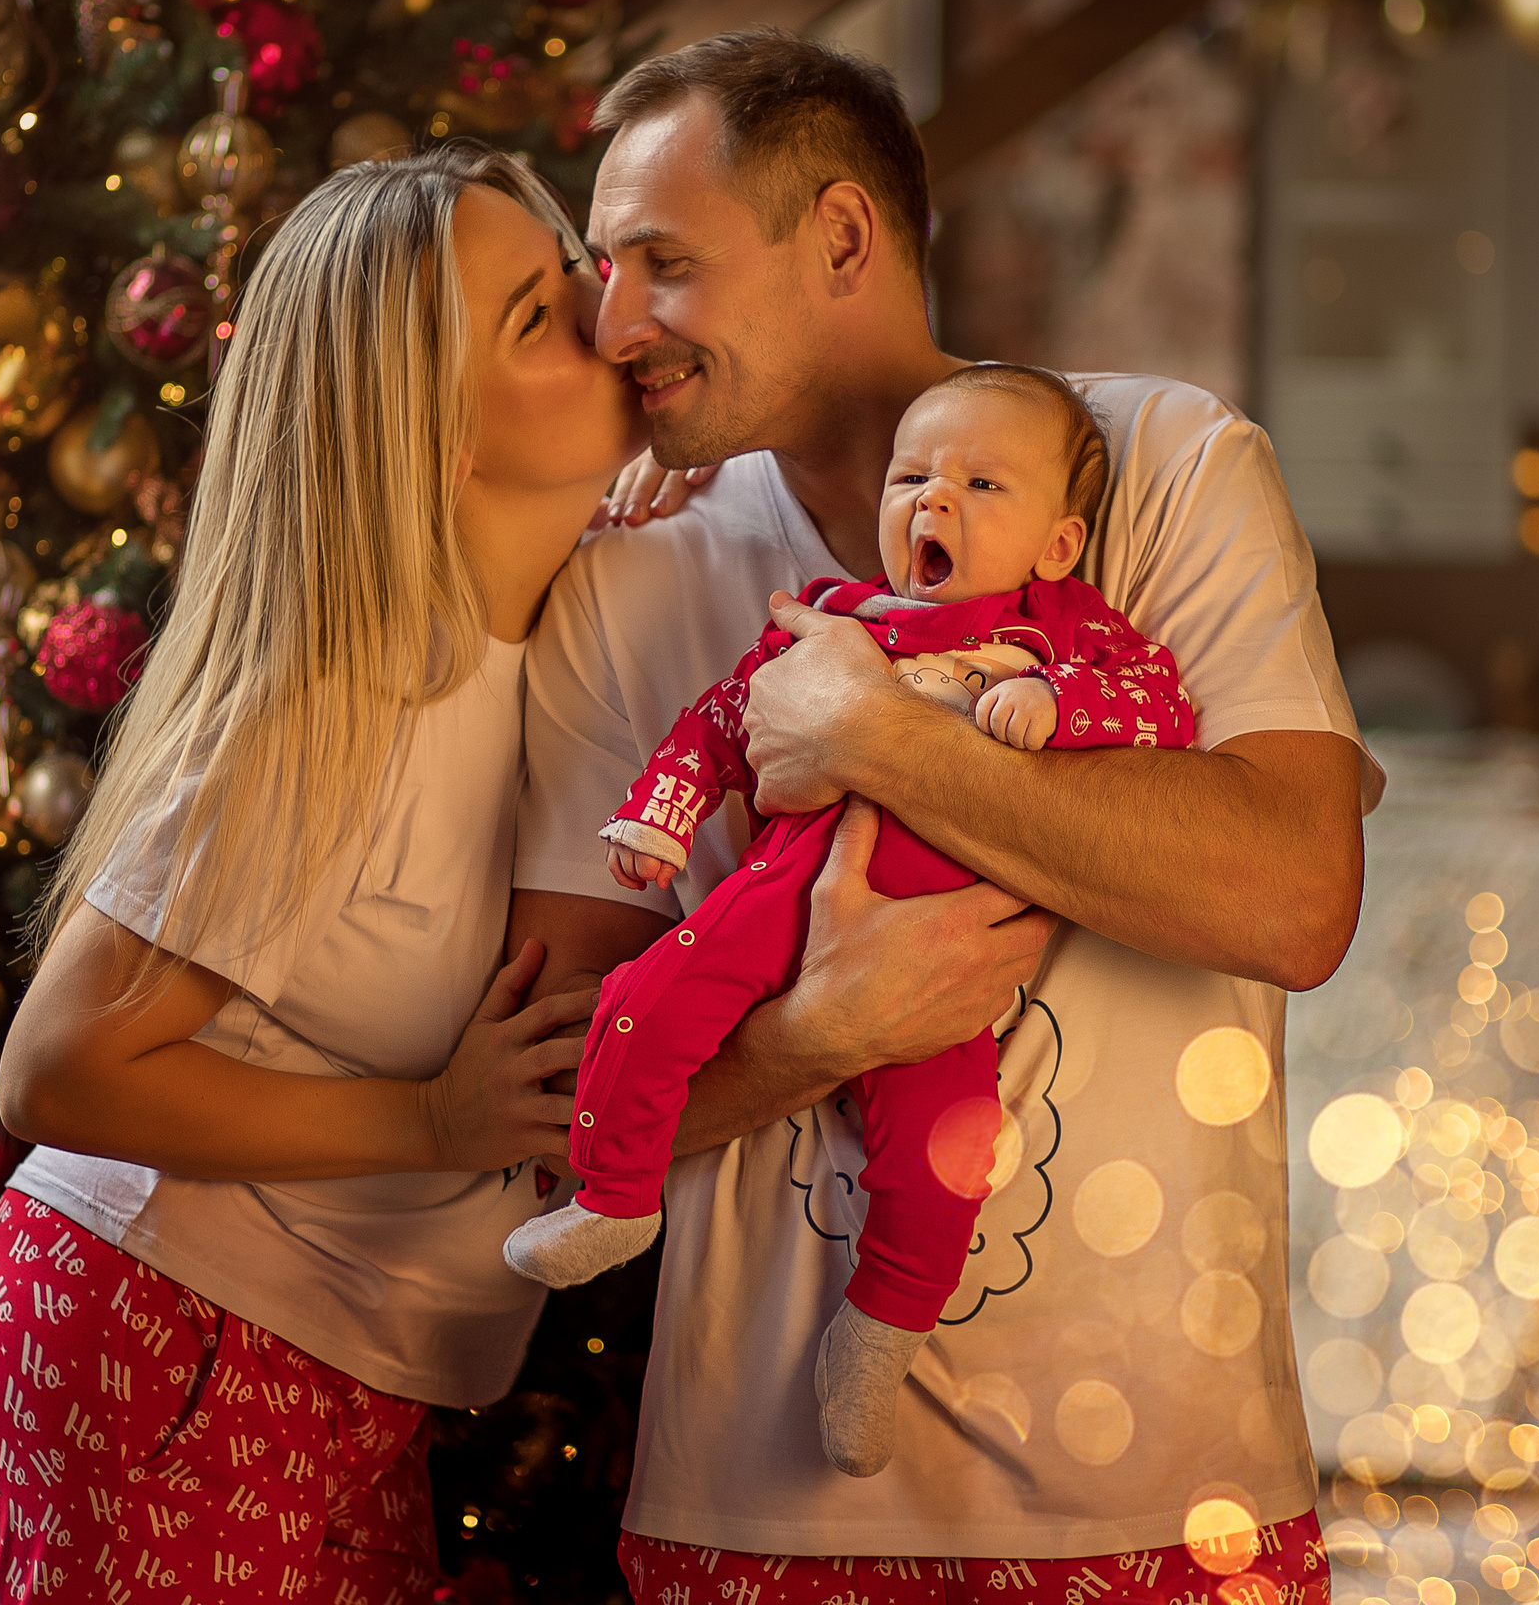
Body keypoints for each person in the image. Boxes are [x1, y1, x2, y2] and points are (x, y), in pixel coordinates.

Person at [510, 31, 1380, 1604]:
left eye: (665, 263)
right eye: (599, 268)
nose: (613, 319)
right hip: (747, 1520)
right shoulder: (638, 569)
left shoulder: (1163, 467)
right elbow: (530, 1114)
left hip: (1165, 1515)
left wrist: (870, 731)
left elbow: (1295, 893)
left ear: (841, 237)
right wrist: (807, 1040)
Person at [0, 147, 629, 1602]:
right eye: (533, 312)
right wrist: (433, 1118)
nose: (600, 299)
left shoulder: (535, 641)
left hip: (321, 1365)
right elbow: (55, 1071)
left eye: (572, 260)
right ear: (432, 435)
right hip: (163, 1336)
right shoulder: (340, 705)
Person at [506, 365, 1196, 1482]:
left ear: (1058, 545)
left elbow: (1163, 706)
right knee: (641, 1003)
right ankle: (615, 1193)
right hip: (780, 896)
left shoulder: (1061, 632)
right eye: (913, 475)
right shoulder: (830, 621)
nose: (934, 501)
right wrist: (662, 817)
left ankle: (877, 1335)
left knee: (950, 1150)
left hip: (946, 940)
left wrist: (1062, 705)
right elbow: (721, 722)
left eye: (980, 483)